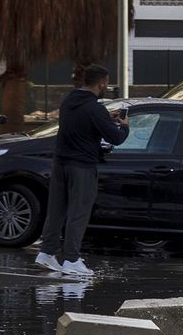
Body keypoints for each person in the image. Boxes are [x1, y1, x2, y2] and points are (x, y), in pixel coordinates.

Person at [36, 65, 128, 279]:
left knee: (57, 209)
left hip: (60, 163)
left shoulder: (69, 101)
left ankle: (46, 253)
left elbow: (85, 123)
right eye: (107, 82)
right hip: (82, 166)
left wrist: (107, 117)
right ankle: (71, 259)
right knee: (79, 212)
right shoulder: (94, 108)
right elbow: (116, 138)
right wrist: (124, 126)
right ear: (101, 83)